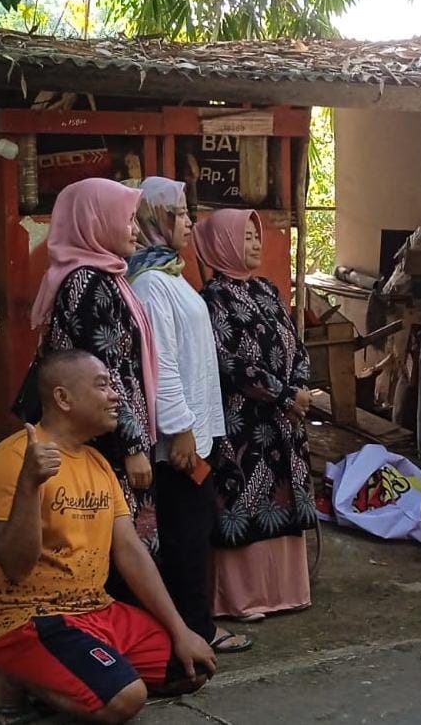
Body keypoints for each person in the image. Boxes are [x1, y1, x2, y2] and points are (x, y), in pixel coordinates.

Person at [0, 349, 216, 724]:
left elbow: (130, 551)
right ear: (63, 398)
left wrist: (181, 631)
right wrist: (29, 485)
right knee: (126, 697)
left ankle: (66, 680)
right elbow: (15, 567)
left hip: (95, 610)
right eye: (102, 386)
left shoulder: (97, 463)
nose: (115, 396)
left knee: (191, 667)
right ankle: (13, 682)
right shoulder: (14, 459)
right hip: (28, 618)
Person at [126, 177, 250, 653]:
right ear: (153, 219)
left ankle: (191, 626)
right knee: (186, 533)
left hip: (197, 428)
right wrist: (179, 430)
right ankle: (195, 631)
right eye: (177, 213)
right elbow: (162, 365)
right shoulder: (151, 283)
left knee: (192, 529)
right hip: (179, 436)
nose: (188, 222)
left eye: (185, 212)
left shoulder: (168, 273)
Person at [195, 208, 316, 621]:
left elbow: (295, 344)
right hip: (244, 421)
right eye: (244, 237)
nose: (255, 244)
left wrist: (299, 389)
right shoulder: (212, 299)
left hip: (286, 419)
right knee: (244, 496)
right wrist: (283, 395)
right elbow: (226, 361)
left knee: (283, 493)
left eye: (255, 236)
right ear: (223, 244)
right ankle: (243, 599)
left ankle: (286, 590)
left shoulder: (266, 288)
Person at [30, 177, 159, 550]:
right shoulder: (87, 283)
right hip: (105, 439)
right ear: (96, 220)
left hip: (112, 429)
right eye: (128, 219)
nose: (136, 230)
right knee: (117, 544)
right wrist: (131, 446)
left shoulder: (107, 277)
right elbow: (104, 373)